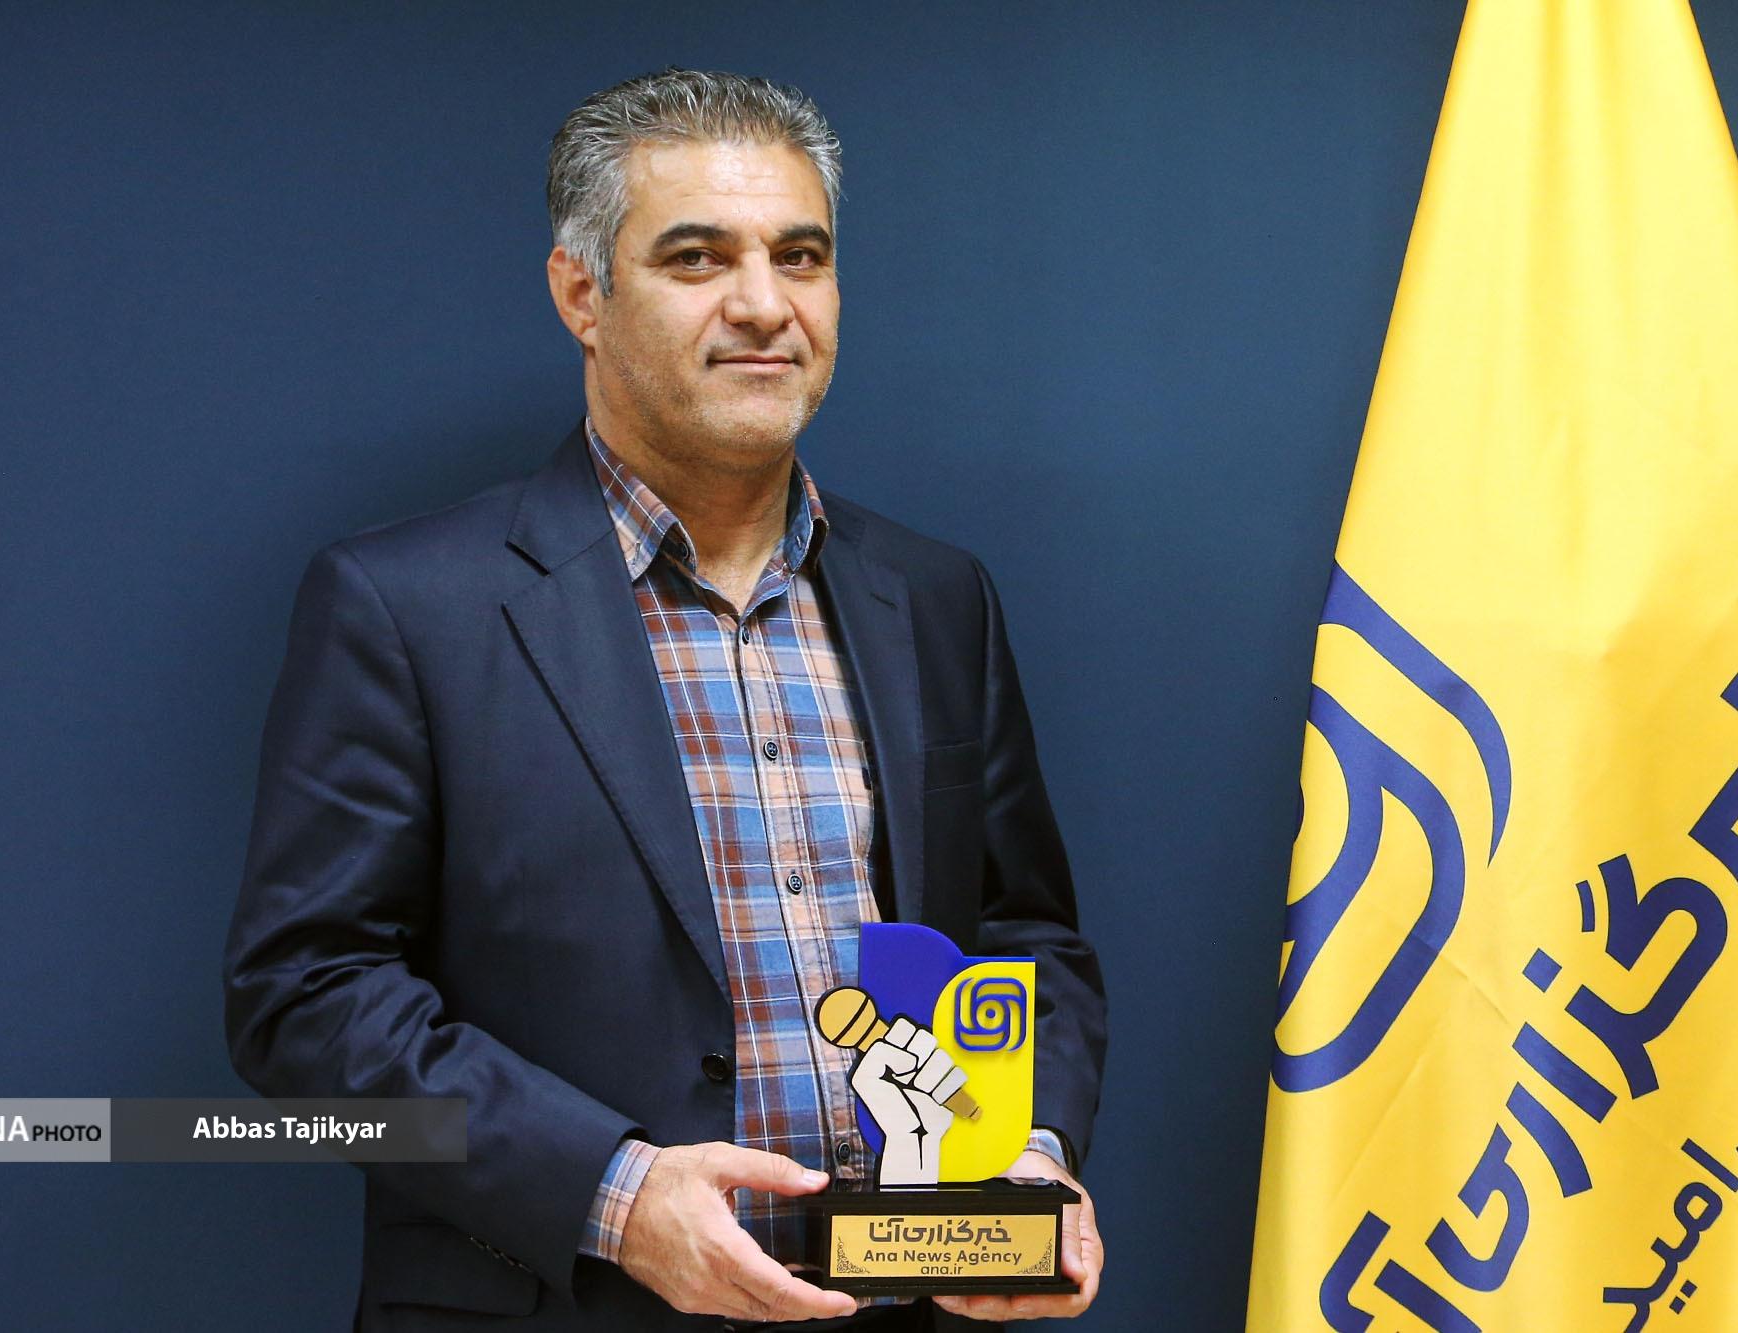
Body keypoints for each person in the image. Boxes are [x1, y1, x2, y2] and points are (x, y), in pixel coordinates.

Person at [223, 69, 1107, 1332]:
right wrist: (612, 1193)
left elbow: (1024, 939)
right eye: (696, 258)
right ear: (581, 294)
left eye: (799, 257)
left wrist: (1024, 1153)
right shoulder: (405, 605)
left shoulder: (934, 594)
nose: (763, 304)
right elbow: (303, 999)